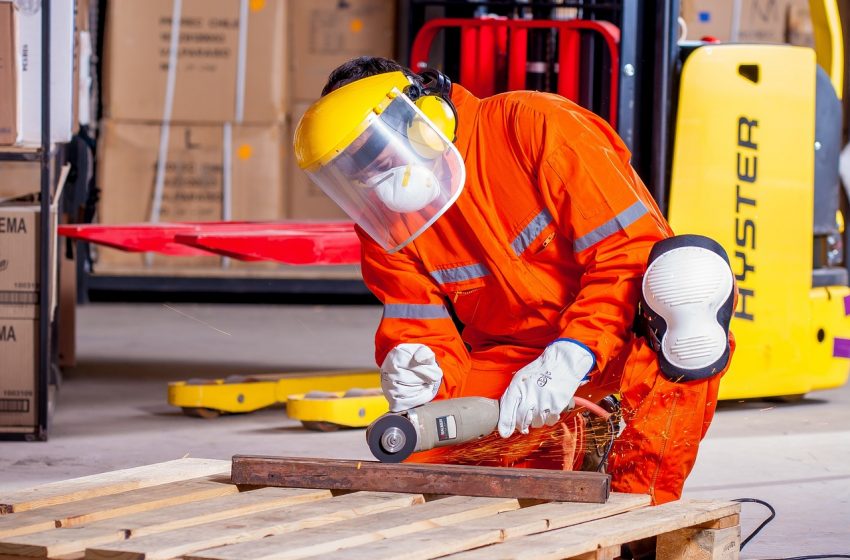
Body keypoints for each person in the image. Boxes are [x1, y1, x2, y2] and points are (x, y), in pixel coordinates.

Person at [294, 56, 736, 506]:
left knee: (688, 284)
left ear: (423, 118)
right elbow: (417, 322)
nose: (371, 178)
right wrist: (416, 368)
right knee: (415, 456)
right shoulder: (385, 224)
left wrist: (574, 352)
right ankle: (581, 440)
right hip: (517, 360)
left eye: (373, 153)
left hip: (623, 333)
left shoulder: (535, 125)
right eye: (353, 169)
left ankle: (638, 510)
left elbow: (628, 253)